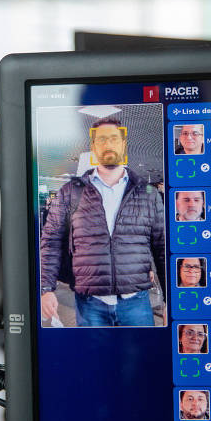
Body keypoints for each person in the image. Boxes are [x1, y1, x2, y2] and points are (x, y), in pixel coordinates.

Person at [39, 116, 166, 327]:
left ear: (123, 144)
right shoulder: (70, 193)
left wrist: (170, 298)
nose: (108, 145)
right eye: (102, 140)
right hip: (90, 305)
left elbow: (161, 247)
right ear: (94, 146)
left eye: (114, 139)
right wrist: (46, 289)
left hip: (136, 303)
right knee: (93, 359)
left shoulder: (147, 193)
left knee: (143, 359)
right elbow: (51, 241)